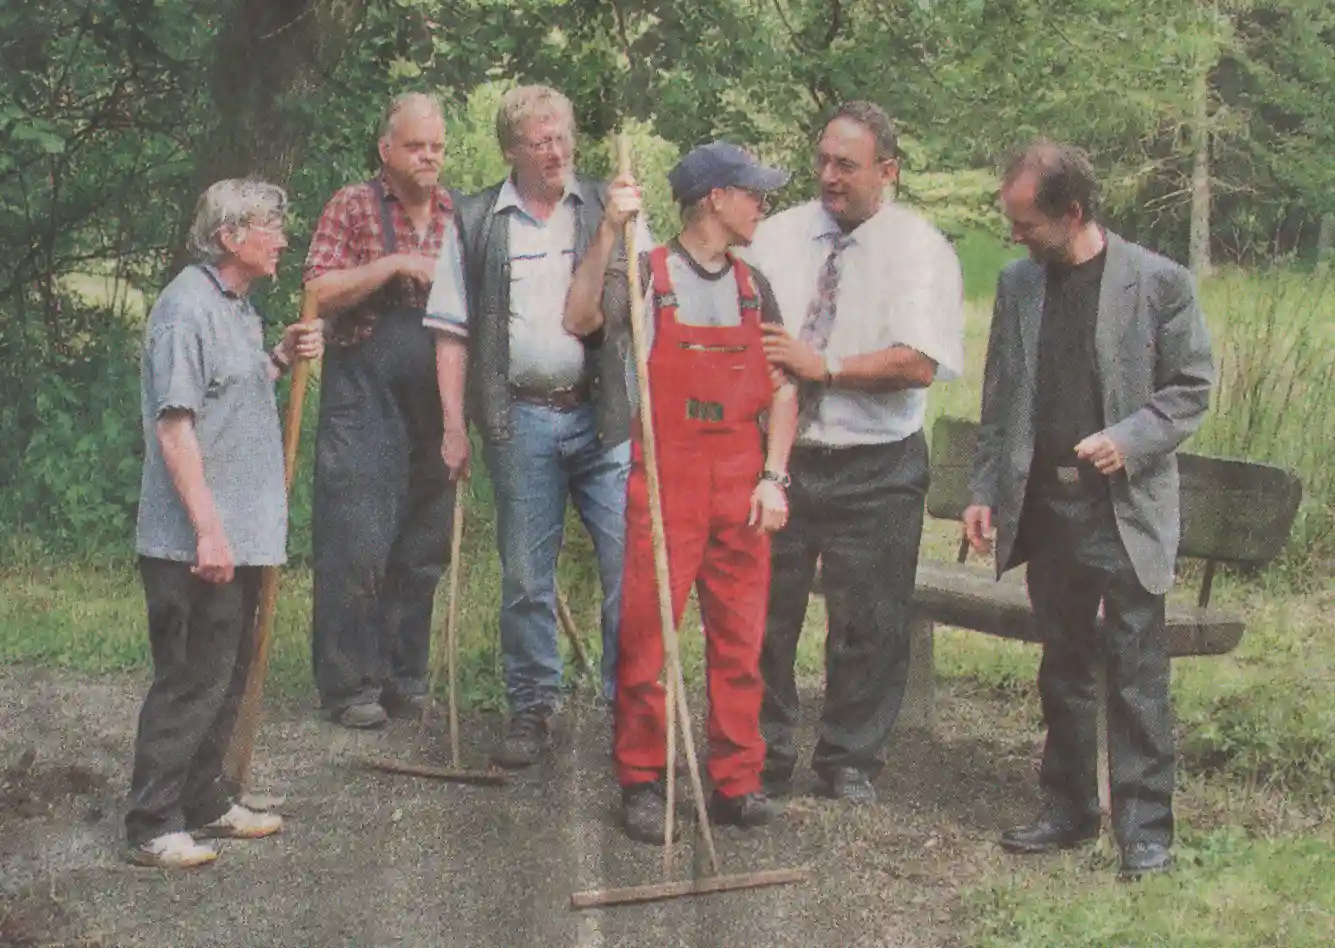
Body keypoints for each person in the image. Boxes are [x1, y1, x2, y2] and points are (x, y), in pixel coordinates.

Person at [964, 141, 1213, 878]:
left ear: (1071, 213)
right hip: (1046, 510)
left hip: (1121, 510)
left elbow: (1190, 387)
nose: (1015, 239)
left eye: (1026, 224)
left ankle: (1145, 832)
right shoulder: (1018, 285)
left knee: (1135, 672)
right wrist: (983, 490)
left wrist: (1129, 438)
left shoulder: (1159, 283)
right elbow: (998, 397)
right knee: (1062, 666)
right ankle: (1068, 809)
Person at [565, 142, 799, 842]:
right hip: (664, 483)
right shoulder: (645, 276)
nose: (762, 204)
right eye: (752, 192)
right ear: (714, 200)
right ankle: (642, 780)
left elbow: (784, 391)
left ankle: (735, 782)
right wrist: (608, 227)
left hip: (741, 484)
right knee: (644, 639)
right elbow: (578, 321)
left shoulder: (754, 287)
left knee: (739, 643)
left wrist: (773, 476)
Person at [749, 101, 965, 805]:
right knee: (765, 614)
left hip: (876, 463)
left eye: (846, 164)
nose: (828, 176)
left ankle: (848, 760)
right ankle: (763, 750)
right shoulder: (775, 238)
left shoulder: (920, 251)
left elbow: (919, 363)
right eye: (821, 160)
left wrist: (827, 367)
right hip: (784, 458)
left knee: (868, 622)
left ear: (887, 171)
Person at [433, 85, 650, 769]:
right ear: (510, 150)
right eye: (539, 140)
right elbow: (450, 334)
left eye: (561, 136)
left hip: (602, 416)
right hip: (519, 418)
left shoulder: (608, 207)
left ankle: (627, 701)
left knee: (626, 566)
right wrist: (453, 428)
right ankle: (531, 706)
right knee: (526, 576)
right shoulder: (474, 220)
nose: (555, 150)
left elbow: (645, 310)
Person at [127, 179, 323, 869]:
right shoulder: (187, 310)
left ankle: (204, 801)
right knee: (190, 675)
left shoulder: (236, 307)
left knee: (226, 670)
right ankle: (151, 823)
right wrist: (208, 530)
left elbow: (225, 398)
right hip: (192, 539)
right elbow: (176, 427)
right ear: (231, 236)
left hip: (236, 533)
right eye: (270, 225)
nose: (282, 237)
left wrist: (279, 358)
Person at [305, 92, 464, 729]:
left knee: (424, 541)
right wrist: (398, 264)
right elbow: (317, 290)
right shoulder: (354, 204)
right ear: (386, 150)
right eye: (415, 146)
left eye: (437, 147)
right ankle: (349, 686)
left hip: (437, 390)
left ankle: (406, 676)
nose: (428, 158)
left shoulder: (460, 214)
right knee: (357, 537)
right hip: (363, 387)